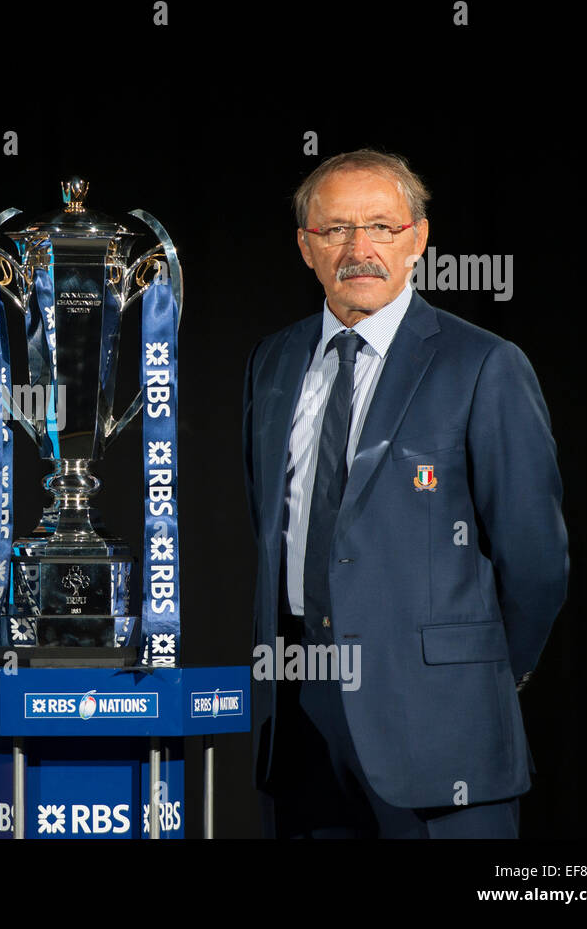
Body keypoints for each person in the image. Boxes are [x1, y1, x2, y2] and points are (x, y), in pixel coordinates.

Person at [241, 149, 567, 838]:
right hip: (299, 725)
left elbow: (535, 562)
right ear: (305, 247)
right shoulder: (271, 361)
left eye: (382, 227)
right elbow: (272, 528)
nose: (359, 249)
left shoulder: (484, 365)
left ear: (418, 239)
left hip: (443, 729)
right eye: (335, 230)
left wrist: (473, 677)